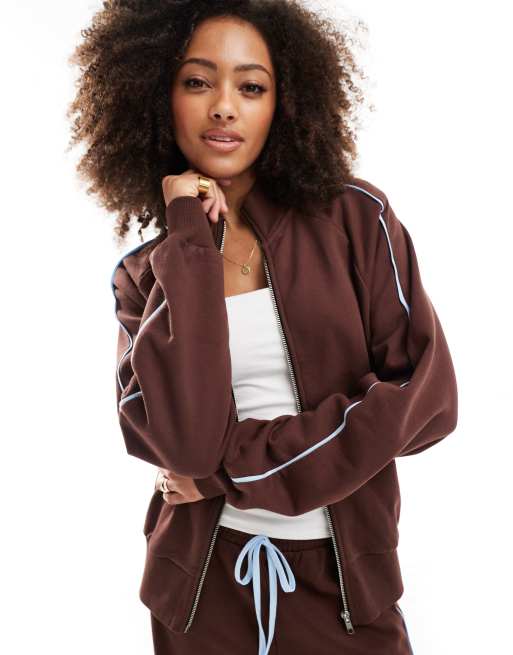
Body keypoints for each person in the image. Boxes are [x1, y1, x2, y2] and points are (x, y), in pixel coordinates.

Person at [67, 1, 458, 653]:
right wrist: (189, 238)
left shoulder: (355, 219)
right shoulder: (146, 276)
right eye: (198, 81)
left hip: (341, 593)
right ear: (159, 97)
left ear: (285, 102)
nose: (223, 107)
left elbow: (425, 401)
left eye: (251, 87)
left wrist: (228, 476)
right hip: (199, 594)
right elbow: (186, 449)